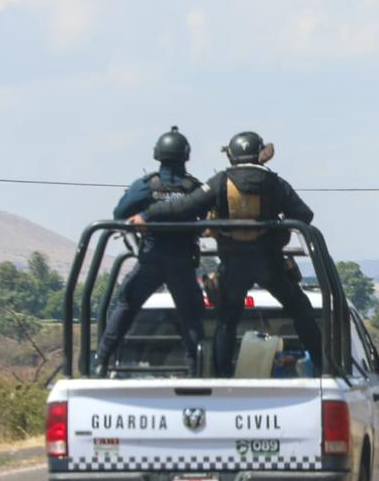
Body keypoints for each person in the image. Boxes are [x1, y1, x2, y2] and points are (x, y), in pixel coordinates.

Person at [132, 131, 323, 377]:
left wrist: (149, 215)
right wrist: (276, 226)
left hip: (234, 264)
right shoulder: (274, 182)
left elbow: (185, 206)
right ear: (259, 153)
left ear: (232, 155)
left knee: (227, 321)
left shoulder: (220, 181)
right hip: (270, 263)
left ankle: (222, 375)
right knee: (300, 309)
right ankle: (320, 366)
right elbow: (304, 216)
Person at [95, 126, 206, 375]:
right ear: (185, 156)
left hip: (151, 260)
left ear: (158, 155)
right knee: (190, 316)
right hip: (182, 261)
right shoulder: (194, 188)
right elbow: (206, 216)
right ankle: (196, 370)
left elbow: (120, 213)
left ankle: (101, 360)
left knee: (126, 306)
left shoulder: (146, 186)